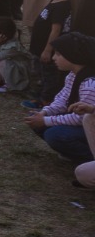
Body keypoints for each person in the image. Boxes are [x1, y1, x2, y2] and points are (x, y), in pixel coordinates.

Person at [25, 32, 95, 164]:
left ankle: (89, 158)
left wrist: (46, 121)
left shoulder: (90, 85)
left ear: (73, 55)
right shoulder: (74, 74)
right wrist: (44, 113)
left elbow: (83, 119)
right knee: (35, 118)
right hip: (80, 123)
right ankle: (72, 152)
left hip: (90, 127)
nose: (53, 58)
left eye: (58, 54)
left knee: (54, 135)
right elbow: (62, 99)